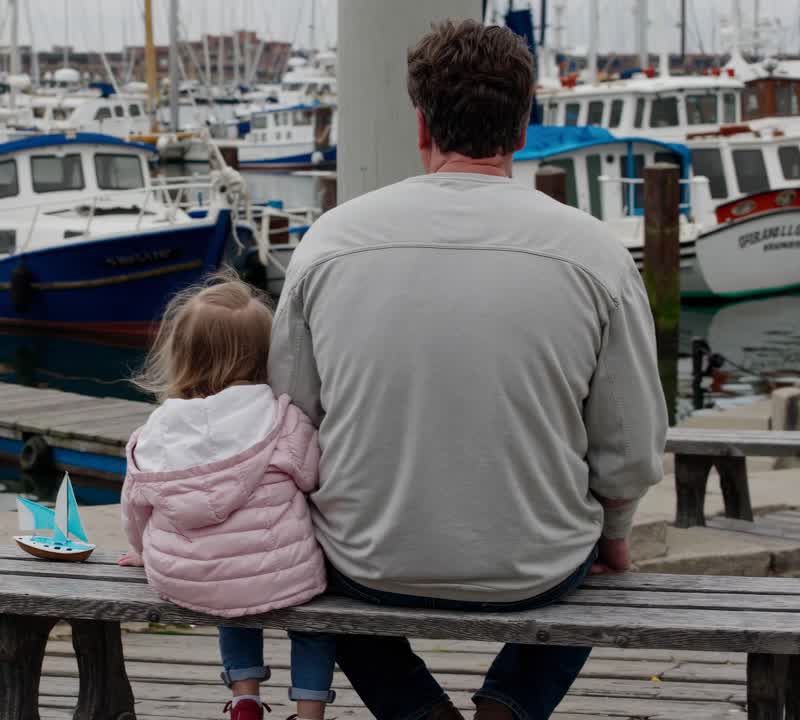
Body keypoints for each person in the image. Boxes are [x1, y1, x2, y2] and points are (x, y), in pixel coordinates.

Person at [268, 19, 667, 720]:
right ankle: (508, 709)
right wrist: (615, 534)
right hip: (536, 570)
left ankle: (419, 713)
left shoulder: (328, 243)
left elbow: (289, 419)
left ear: (420, 124)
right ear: (522, 128)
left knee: (319, 570)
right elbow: (629, 451)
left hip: (368, 564)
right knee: (594, 555)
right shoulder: (596, 253)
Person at [119, 274, 334, 720]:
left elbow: (135, 503)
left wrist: (141, 551)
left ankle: (245, 699)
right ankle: (311, 713)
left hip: (187, 576)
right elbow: (314, 477)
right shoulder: (282, 417)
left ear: (181, 354)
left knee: (231, 603)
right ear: (266, 356)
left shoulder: (157, 429)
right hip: (281, 573)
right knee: (312, 620)